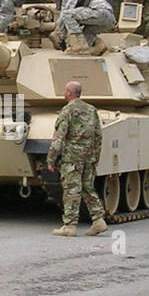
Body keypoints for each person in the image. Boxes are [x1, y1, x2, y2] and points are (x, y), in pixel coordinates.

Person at [46, 80, 107, 237]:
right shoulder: (91, 110)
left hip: (72, 158)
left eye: (65, 90)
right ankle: (98, 220)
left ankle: (70, 225)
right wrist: (96, 157)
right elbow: (98, 136)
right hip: (88, 157)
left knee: (71, 190)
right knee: (88, 188)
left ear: (69, 93)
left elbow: (59, 137)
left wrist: (51, 159)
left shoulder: (67, 111)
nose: (64, 93)